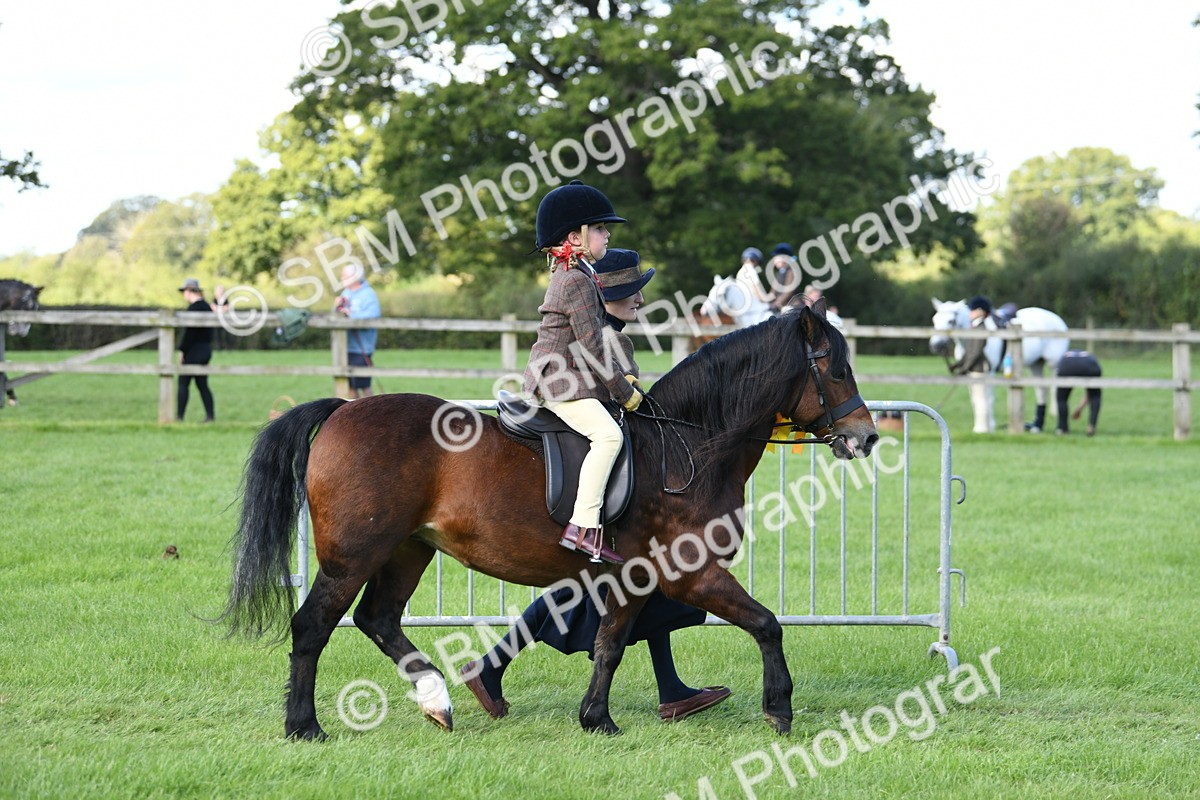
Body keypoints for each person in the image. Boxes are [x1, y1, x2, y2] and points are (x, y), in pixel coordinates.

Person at [461, 249, 732, 723]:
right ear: (606, 297)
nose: (640, 300)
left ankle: (670, 690)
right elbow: (623, 398)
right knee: (612, 583)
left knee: (638, 579)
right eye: (631, 292)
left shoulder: (607, 334)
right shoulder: (606, 338)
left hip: (595, 454)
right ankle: (493, 666)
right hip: (591, 465)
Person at [522, 180, 642, 565]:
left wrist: (622, 378)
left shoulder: (581, 274)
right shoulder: (575, 280)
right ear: (576, 237)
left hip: (567, 377)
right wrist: (624, 393)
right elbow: (592, 347)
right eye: (600, 229)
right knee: (608, 436)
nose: (607, 235)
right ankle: (582, 527)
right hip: (556, 382)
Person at [335, 263, 381, 399]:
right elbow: (338, 313)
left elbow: (373, 314)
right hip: (345, 347)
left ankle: (372, 409)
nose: (341, 278)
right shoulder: (346, 293)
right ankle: (354, 410)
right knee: (350, 386)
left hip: (362, 348)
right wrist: (337, 307)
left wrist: (351, 315)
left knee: (364, 386)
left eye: (345, 275)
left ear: (355, 277)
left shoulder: (368, 294)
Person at [176, 278, 215, 423]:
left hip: (194, 351)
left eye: (184, 291)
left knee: (183, 383)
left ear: (189, 291)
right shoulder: (207, 307)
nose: (183, 295)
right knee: (202, 384)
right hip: (206, 350)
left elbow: (190, 334)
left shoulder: (193, 309)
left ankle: (179, 417)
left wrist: (182, 350)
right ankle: (210, 416)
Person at [1055, 350, 1102, 436]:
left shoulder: (1064, 356)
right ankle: (1091, 426)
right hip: (1090, 366)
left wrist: (1079, 409)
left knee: (1061, 398)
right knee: (1095, 395)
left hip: (1066, 367)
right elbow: (1089, 394)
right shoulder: (1089, 356)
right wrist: (1079, 409)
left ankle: (1063, 428)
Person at [734, 246, 775, 326]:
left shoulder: (740, 272)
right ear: (755, 260)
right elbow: (757, 292)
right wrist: (769, 300)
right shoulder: (751, 271)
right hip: (755, 308)